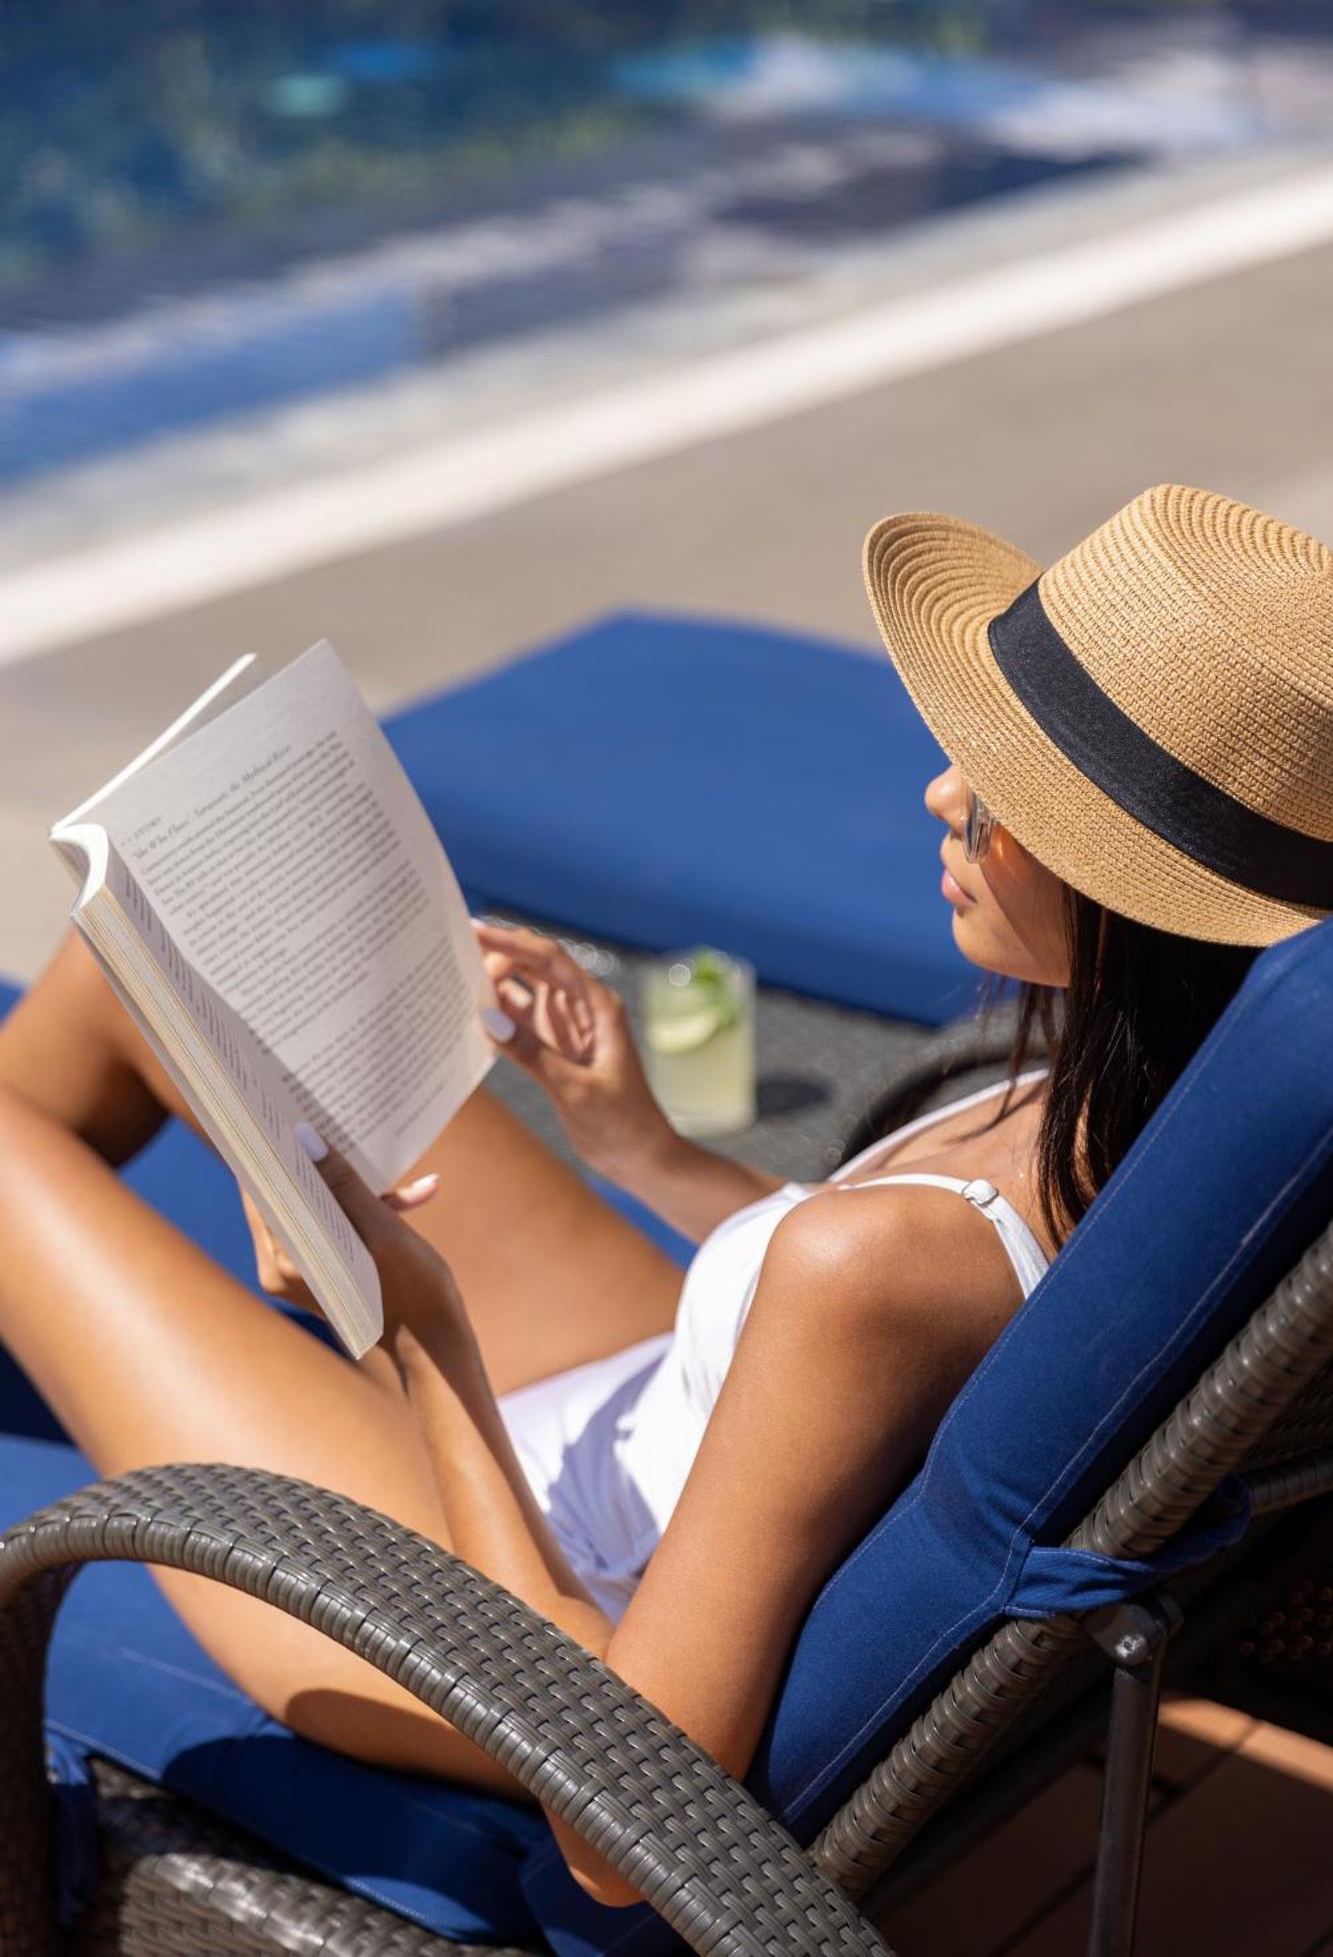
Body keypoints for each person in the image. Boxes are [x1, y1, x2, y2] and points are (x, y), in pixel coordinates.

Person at [0, 481, 1325, 1908]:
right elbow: (900, 1339)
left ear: (1125, 888)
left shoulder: (883, 1259)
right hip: (674, 1426)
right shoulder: (1161, 1112)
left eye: (1002, 786)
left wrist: (418, 1334)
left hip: (519, 1615)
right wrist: (646, 1153)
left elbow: (622, 1828)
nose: (944, 791)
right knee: (171, 947)